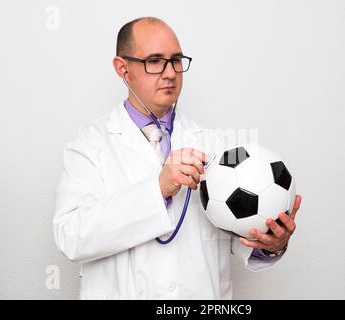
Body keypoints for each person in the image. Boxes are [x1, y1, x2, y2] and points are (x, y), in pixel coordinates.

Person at [53, 17, 302, 299]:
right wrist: (157, 189)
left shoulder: (216, 146)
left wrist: (272, 243)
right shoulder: (89, 145)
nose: (170, 72)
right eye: (155, 61)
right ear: (122, 68)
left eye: (176, 60)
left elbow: (238, 232)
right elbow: (71, 237)